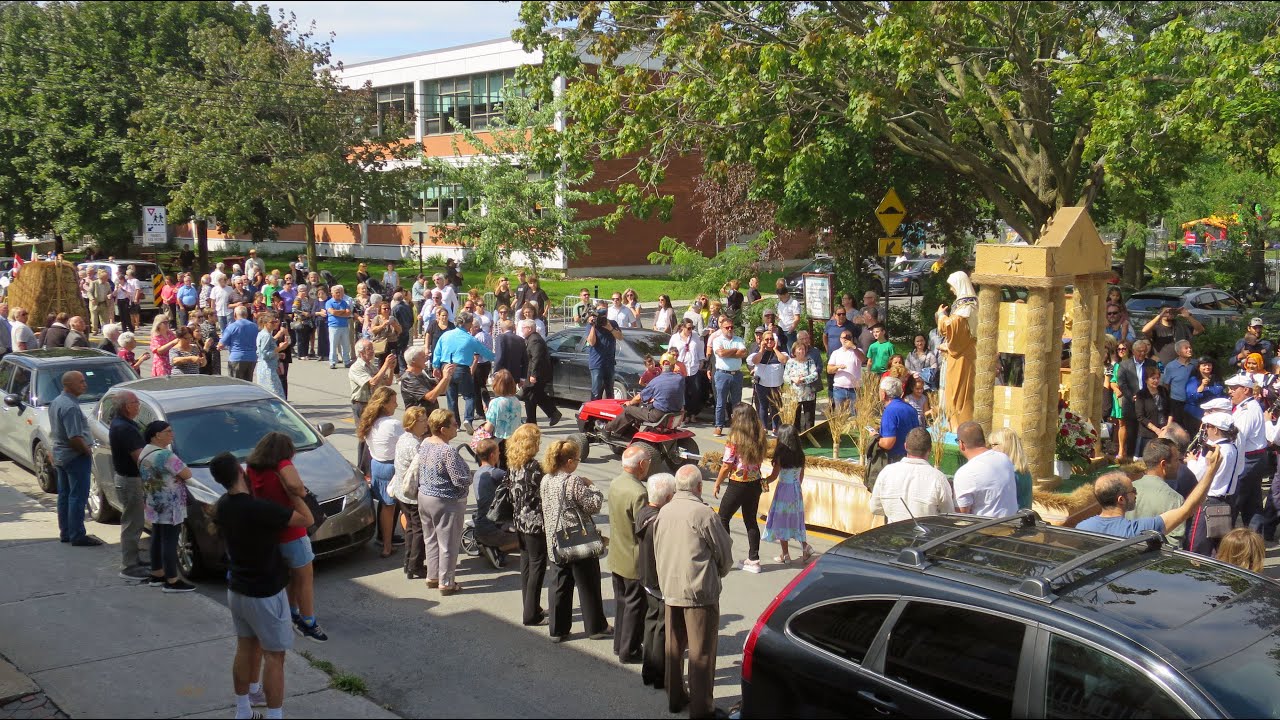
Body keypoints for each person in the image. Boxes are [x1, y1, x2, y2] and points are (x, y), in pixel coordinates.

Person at [211, 450, 312, 720]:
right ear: (240, 472)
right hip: (266, 592)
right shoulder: (259, 509)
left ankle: (243, 709)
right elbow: (306, 520)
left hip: (238, 588)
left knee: (245, 647)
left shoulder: (223, 506)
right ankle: (275, 715)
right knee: (275, 657)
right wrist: (292, 491)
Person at [655, 464, 733, 718]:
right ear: (699, 487)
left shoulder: (664, 511)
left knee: (674, 646)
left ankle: (675, 698)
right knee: (702, 652)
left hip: (671, 587)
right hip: (699, 591)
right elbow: (724, 553)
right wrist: (719, 572)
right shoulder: (703, 513)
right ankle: (702, 709)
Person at [246, 432, 328, 642]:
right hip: (293, 530)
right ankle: (309, 622)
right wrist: (295, 492)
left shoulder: (253, 467)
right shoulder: (281, 464)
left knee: (289, 577)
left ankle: (291, 612)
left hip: (271, 530)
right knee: (305, 578)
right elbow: (297, 487)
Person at [539, 438, 610, 642]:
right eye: (577, 459)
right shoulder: (573, 481)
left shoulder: (546, 479)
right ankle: (596, 627)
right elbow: (593, 505)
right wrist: (593, 486)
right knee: (588, 584)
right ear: (569, 461)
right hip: (578, 540)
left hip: (556, 540)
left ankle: (558, 630)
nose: (578, 462)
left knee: (560, 584)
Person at [1078, 448, 1217, 540]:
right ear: (1121, 499)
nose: (1136, 494)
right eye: (1133, 491)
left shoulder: (1082, 528)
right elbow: (1187, 510)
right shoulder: (1137, 531)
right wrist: (1211, 471)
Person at [416, 409, 472, 595]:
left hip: (424, 497)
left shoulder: (425, 443)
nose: (457, 427)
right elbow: (460, 479)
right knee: (448, 543)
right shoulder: (447, 451)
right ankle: (446, 582)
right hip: (445, 500)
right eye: (454, 424)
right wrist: (470, 476)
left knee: (430, 538)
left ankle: (432, 576)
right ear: (442, 429)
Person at [138, 421, 196, 592]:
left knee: (157, 538)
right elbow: (187, 473)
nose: (172, 434)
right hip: (170, 504)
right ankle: (172, 580)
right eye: (168, 431)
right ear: (157, 435)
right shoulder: (165, 455)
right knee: (170, 541)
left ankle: (157, 573)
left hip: (153, 502)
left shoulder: (144, 453)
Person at [607, 445, 652, 663]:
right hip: (633, 558)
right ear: (641, 465)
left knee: (622, 603)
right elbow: (642, 528)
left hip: (617, 553)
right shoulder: (639, 492)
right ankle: (630, 650)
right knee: (635, 606)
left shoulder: (616, 483)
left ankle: (619, 644)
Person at [714, 403, 768, 573]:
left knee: (723, 517)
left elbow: (726, 465)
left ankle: (724, 558)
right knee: (750, 520)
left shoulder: (734, 438)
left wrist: (717, 483)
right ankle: (754, 559)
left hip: (738, 483)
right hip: (755, 482)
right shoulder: (760, 435)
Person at [49, 371, 100, 546]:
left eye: (84, 381)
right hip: (74, 456)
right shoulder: (69, 406)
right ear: (68, 384)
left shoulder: (57, 401)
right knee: (77, 496)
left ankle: (66, 532)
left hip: (61, 455)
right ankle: (77, 534)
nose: (84, 384)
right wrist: (87, 450)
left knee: (65, 495)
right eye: (80, 382)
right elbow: (74, 437)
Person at [507, 423, 550, 626]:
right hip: (535, 523)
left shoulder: (514, 464)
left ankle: (530, 606)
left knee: (526, 564)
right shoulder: (534, 467)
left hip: (519, 521)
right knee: (537, 565)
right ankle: (531, 614)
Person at [636, 472, 675, 690]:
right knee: (661, 627)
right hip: (659, 580)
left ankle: (648, 669)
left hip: (647, 578)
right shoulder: (659, 522)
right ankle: (659, 674)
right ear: (668, 497)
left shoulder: (644, 513)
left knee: (651, 623)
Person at [1183, 411, 1241, 555]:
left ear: (1215, 429)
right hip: (1226, 501)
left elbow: (1199, 474)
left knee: (1197, 547)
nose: (1205, 430)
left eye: (1208, 427)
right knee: (1221, 548)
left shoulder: (1214, 449)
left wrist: (1191, 462)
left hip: (1209, 502)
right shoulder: (1233, 447)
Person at [870, 428, 956, 523]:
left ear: (905, 446)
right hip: (927, 535)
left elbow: (875, 508)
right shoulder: (938, 478)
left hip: (894, 533)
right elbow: (948, 514)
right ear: (930, 449)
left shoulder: (887, 472)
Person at [107, 391, 149, 580]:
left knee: (135, 522)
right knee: (133, 523)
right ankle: (129, 567)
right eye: (135, 402)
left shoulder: (123, 424)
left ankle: (134, 559)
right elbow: (140, 457)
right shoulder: (124, 428)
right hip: (131, 481)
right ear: (126, 406)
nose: (138, 405)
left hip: (128, 479)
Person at [431, 310, 494, 432]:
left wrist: (435, 366)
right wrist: (497, 357)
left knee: (451, 397)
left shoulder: (445, 335)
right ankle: (468, 419)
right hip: (462, 368)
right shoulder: (470, 339)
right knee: (469, 396)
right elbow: (486, 352)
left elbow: (437, 352)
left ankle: (455, 423)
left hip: (446, 367)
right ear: (468, 324)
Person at [359, 387, 402, 559]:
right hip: (393, 466)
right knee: (407, 507)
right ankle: (415, 542)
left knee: (386, 506)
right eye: (393, 401)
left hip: (377, 465)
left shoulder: (369, 423)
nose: (396, 404)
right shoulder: (393, 424)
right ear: (384, 404)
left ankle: (386, 545)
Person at [761, 425, 814, 564]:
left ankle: (785, 554)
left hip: (784, 490)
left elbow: (773, 476)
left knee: (781, 520)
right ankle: (805, 546)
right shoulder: (800, 455)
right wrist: (796, 486)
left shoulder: (781, 456)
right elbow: (801, 476)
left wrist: (762, 481)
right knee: (797, 520)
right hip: (796, 490)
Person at [1125, 438, 1190, 547]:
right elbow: (1173, 547)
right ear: (1163, 464)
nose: (1179, 464)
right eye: (1176, 460)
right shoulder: (1175, 500)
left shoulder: (1125, 490)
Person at [936, 271, 977, 429]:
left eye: (952, 287)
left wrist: (941, 316)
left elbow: (950, 327)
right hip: (965, 354)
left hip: (961, 358)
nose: (952, 290)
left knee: (958, 393)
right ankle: (957, 424)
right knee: (956, 392)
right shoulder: (970, 305)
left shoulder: (966, 309)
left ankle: (960, 426)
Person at [952, 421, 1018, 517]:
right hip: (1011, 525)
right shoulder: (1004, 458)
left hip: (985, 529)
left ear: (961, 444)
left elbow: (961, 515)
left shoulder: (965, 473)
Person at [1114, 338, 1159, 461]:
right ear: (1133, 351)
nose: (1142, 354)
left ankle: (1147, 459)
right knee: (1131, 433)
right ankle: (1129, 461)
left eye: (1144, 351)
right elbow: (1122, 383)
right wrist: (1132, 396)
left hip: (1147, 403)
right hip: (1131, 403)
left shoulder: (1151, 364)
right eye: (1139, 351)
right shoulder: (1124, 365)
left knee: (1147, 433)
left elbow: (1155, 381)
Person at [709, 315, 747, 437]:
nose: (730, 329)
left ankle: (737, 426)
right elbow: (720, 353)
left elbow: (743, 353)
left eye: (731, 327)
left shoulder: (738, 339)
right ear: (722, 328)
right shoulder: (717, 340)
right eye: (727, 327)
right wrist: (735, 351)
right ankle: (719, 426)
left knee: (737, 403)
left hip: (736, 374)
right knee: (721, 402)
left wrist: (728, 352)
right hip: (722, 374)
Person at [520, 319, 562, 425]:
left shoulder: (535, 340)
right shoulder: (531, 338)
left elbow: (536, 358)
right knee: (536, 396)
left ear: (529, 329)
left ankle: (532, 422)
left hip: (537, 374)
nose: (521, 330)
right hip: (535, 373)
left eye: (523, 328)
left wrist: (533, 375)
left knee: (530, 396)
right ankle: (552, 413)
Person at [482, 370, 524, 468]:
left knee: (501, 469)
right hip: (514, 440)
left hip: (500, 440)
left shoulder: (495, 402)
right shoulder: (516, 400)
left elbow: (489, 427)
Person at [747, 332, 788, 434]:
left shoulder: (781, 352)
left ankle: (775, 428)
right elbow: (755, 361)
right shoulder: (757, 352)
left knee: (776, 407)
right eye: (767, 339)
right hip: (762, 385)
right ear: (762, 341)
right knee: (763, 406)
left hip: (777, 385)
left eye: (771, 339)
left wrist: (775, 349)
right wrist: (761, 349)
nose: (769, 341)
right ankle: (764, 427)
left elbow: (784, 360)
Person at [987, 427, 1033, 510]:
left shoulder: (1009, 473)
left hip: (1012, 520)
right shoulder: (1023, 470)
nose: (991, 449)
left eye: (994, 445)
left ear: (1006, 445)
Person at [588, 301, 624, 399]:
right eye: (600, 310)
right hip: (597, 363)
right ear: (596, 311)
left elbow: (620, 337)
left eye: (605, 310)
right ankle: (594, 411)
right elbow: (591, 342)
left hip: (609, 363)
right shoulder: (592, 324)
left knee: (610, 392)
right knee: (596, 392)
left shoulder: (612, 323)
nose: (603, 312)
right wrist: (593, 326)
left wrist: (610, 328)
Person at [784, 338, 820, 434]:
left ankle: (809, 436)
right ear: (794, 351)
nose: (801, 351)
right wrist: (793, 379)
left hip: (808, 394)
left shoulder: (810, 361)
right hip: (794, 395)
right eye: (799, 349)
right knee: (795, 418)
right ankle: (797, 437)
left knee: (809, 418)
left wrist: (803, 379)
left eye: (803, 349)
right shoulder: (790, 362)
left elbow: (815, 375)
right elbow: (785, 376)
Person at [1134, 366, 1172, 457]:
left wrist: (1168, 426)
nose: (1156, 380)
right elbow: (1140, 417)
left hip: (1165, 431)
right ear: (1146, 380)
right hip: (1148, 434)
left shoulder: (1163, 391)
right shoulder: (1141, 394)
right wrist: (1156, 430)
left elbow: (1170, 410)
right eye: (1153, 378)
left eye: (1158, 378)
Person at [400, 346, 452, 410]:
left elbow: (442, 391)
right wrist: (445, 378)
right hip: (419, 418)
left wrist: (448, 376)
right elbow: (431, 397)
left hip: (429, 417)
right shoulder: (408, 379)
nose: (426, 359)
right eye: (423, 357)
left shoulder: (421, 374)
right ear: (413, 360)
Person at [826, 329, 863, 412]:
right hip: (839, 388)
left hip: (855, 389)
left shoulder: (858, 351)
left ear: (852, 339)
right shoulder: (836, 353)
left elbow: (863, 359)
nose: (846, 339)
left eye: (849, 337)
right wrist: (837, 367)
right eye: (844, 337)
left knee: (855, 414)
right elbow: (829, 369)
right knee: (840, 415)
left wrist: (854, 347)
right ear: (840, 339)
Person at [219, 307, 258, 380]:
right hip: (251, 357)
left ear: (234, 315)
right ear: (246, 314)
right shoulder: (254, 326)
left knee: (236, 384)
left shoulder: (232, 327)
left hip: (236, 357)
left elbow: (221, 344)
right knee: (248, 384)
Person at [1163, 339, 1195, 427]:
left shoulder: (1196, 364)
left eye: (1190, 347)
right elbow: (1166, 385)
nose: (1189, 349)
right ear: (1178, 352)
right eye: (1186, 348)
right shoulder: (1171, 366)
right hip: (1177, 403)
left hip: (1193, 402)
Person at [324, 284, 354, 369]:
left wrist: (339, 313)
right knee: (333, 344)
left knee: (346, 344)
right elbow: (332, 312)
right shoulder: (329, 302)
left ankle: (347, 361)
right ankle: (332, 362)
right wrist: (342, 312)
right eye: (337, 292)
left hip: (344, 326)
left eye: (340, 292)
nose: (339, 294)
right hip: (334, 326)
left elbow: (348, 313)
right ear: (332, 293)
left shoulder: (344, 302)